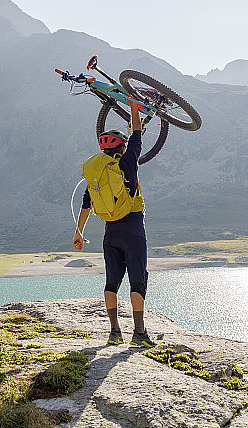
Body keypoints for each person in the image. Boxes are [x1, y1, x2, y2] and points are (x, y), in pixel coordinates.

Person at [73, 101, 155, 347]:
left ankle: (114, 333)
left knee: (112, 282)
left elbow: (86, 204)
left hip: (110, 234)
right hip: (133, 230)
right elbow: (137, 134)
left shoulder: (97, 173)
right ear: (122, 147)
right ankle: (139, 334)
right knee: (137, 282)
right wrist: (133, 108)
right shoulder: (127, 162)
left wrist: (78, 233)